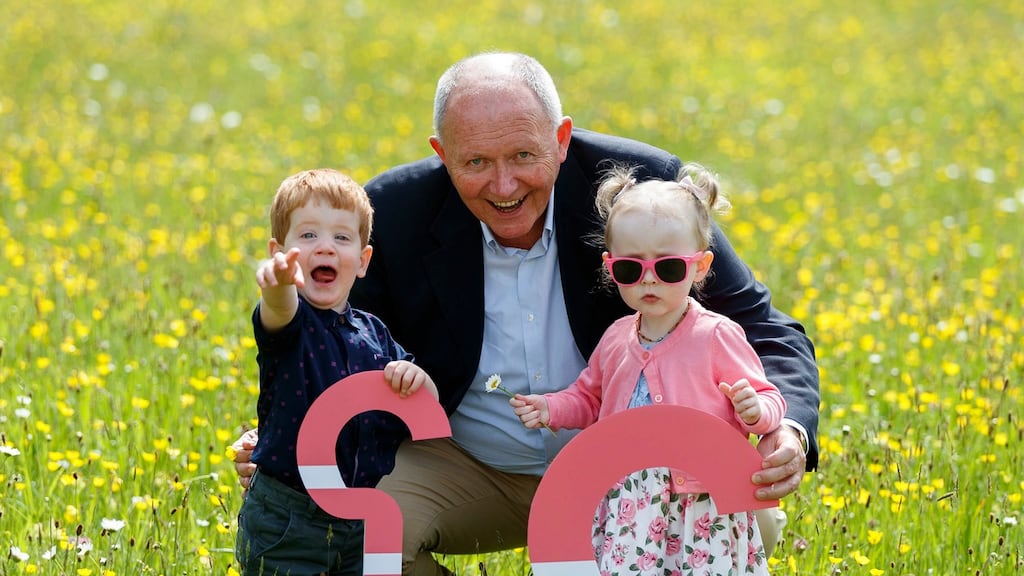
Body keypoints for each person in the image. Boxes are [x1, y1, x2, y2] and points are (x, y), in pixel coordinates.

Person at [233, 52, 819, 576]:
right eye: (477, 162)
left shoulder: (646, 191)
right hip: (468, 463)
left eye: (523, 155)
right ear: (442, 154)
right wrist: (286, 437)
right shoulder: (392, 212)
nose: (504, 184)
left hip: (640, 476)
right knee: (360, 533)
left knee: (744, 522)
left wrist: (787, 430)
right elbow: (335, 342)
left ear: (561, 138)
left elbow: (765, 328)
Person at [510, 163, 785, 573]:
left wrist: (755, 412)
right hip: (628, 499)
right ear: (610, 267)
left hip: (700, 506)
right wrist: (552, 408)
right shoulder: (618, 337)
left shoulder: (715, 336)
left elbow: (769, 397)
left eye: (668, 267)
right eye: (630, 268)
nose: (649, 280)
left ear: (700, 266)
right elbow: (589, 396)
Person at [235, 168, 438, 576]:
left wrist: (418, 380)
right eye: (308, 236)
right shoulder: (293, 324)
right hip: (287, 519)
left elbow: (424, 401)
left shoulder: (375, 333)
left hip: (365, 515)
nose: (324, 247)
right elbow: (277, 308)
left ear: (362, 262)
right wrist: (277, 283)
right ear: (281, 250)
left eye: (341, 238)